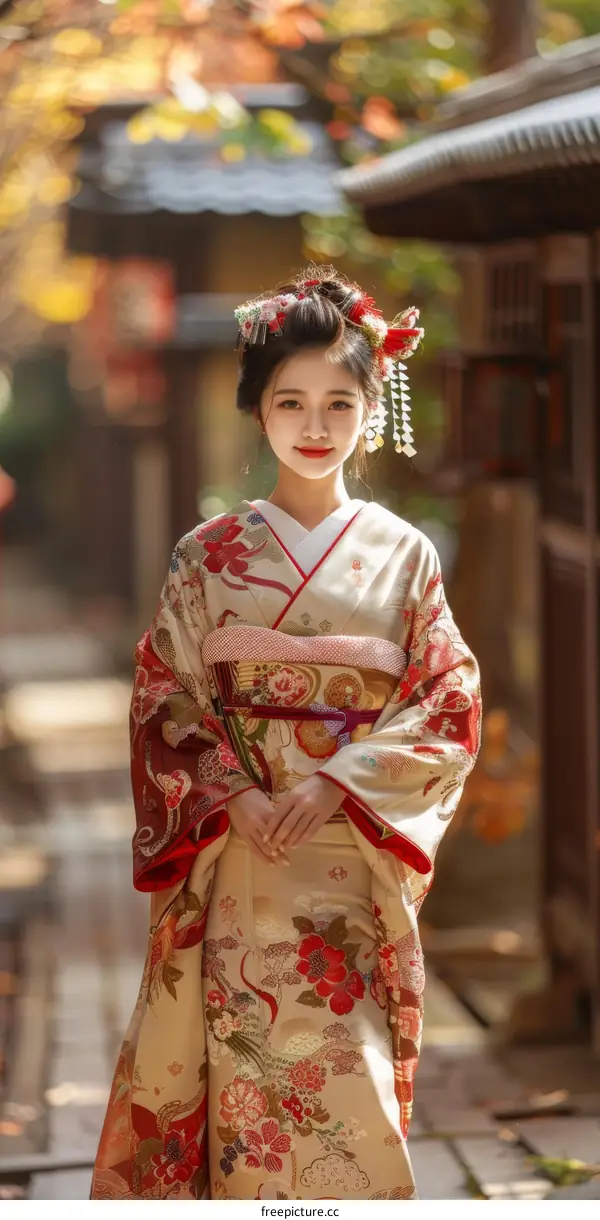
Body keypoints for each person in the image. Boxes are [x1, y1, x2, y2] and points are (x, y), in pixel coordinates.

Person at [91, 265, 482, 1201]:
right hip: (239, 856)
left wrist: (332, 782)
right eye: (291, 402)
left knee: (349, 1080)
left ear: (371, 409)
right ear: (257, 413)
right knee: (241, 1071)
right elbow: (167, 700)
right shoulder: (209, 556)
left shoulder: (405, 554)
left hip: (351, 851)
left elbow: (447, 698)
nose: (315, 427)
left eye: (339, 403)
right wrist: (238, 792)